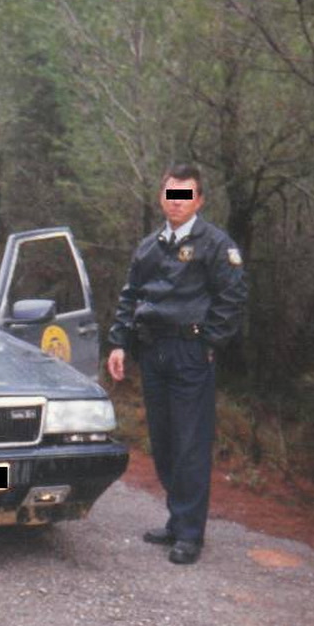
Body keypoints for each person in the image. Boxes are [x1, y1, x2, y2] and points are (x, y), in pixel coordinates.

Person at [106, 163, 247, 564]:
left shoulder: (216, 245)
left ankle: (189, 533)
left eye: (186, 195)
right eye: (171, 194)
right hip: (154, 351)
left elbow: (233, 299)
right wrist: (119, 342)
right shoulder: (150, 246)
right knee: (164, 441)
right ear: (161, 197)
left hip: (190, 353)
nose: (177, 202)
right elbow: (131, 296)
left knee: (190, 443)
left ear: (199, 200)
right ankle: (176, 519)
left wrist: (209, 342)